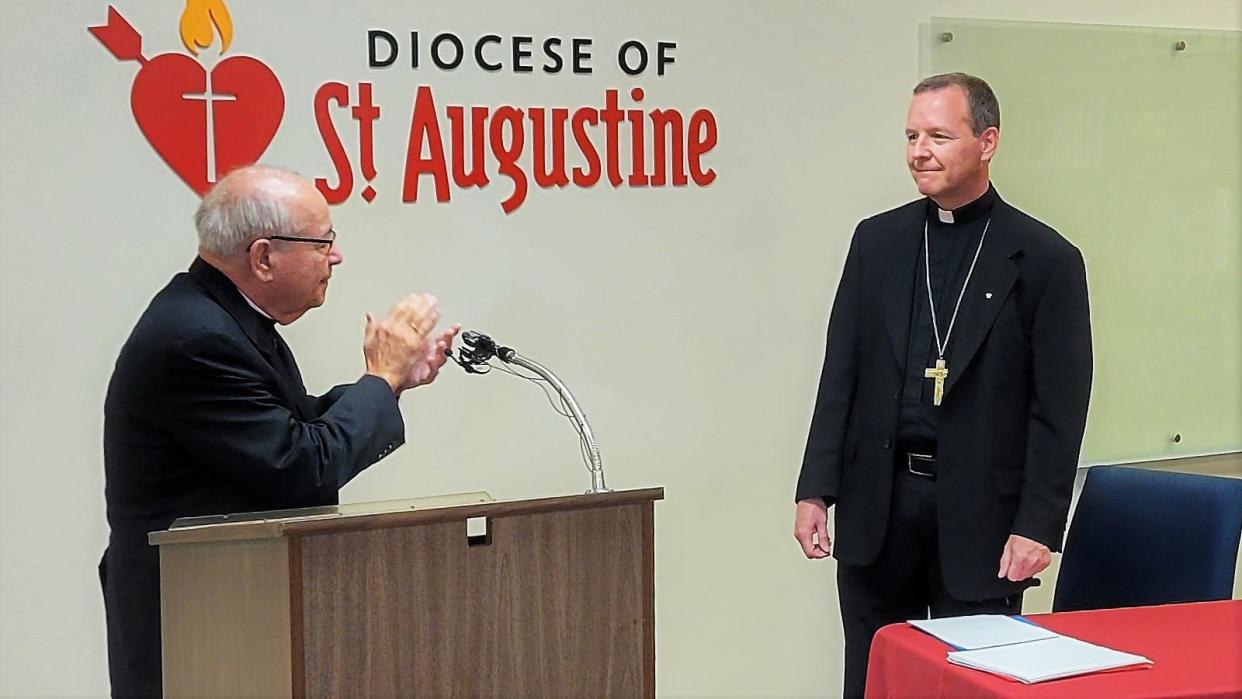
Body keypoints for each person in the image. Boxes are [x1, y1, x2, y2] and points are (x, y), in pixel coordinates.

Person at [100, 164, 460, 697]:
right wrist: (378, 379)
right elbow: (300, 465)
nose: (335, 256)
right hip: (198, 622)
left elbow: (282, 428)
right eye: (322, 242)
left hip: (233, 608)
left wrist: (391, 384)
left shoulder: (219, 317)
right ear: (264, 257)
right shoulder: (197, 337)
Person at [792, 73, 1092, 698]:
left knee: (973, 686)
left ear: (987, 142)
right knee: (875, 682)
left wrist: (1039, 523)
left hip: (984, 520)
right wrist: (815, 488)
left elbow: (1058, 410)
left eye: (938, 135)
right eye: (910, 136)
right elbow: (840, 371)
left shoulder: (1044, 259)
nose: (919, 151)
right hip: (881, 503)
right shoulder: (878, 242)